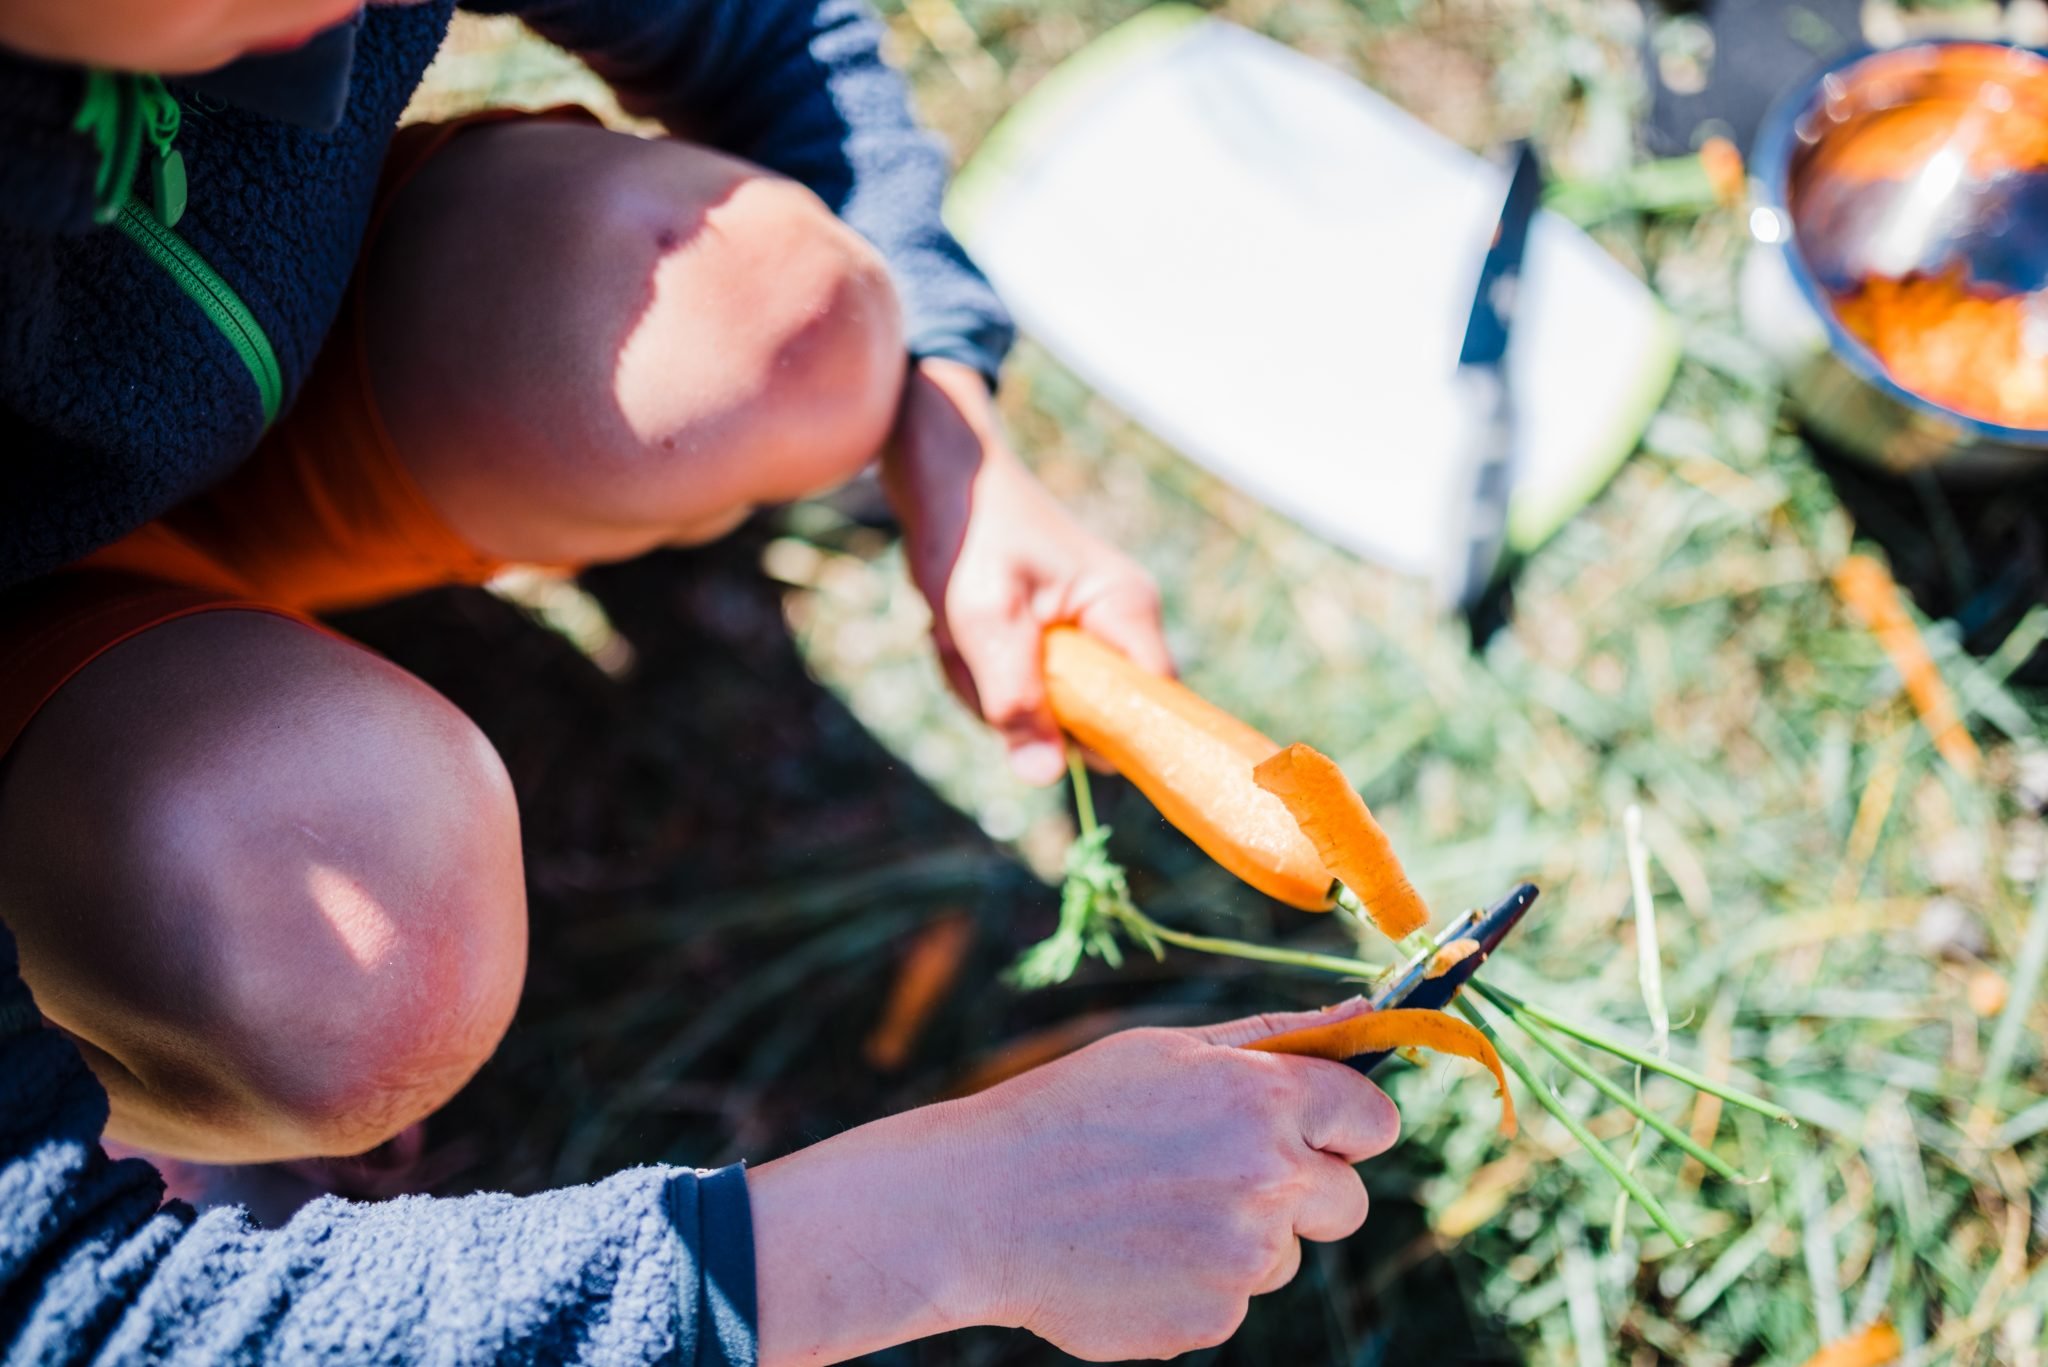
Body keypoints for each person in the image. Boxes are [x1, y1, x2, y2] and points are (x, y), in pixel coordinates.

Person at [0, 0, 1402, 1360]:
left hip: (207, 384)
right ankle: (151, 1089)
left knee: (784, 326)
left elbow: (770, 27)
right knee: (350, 961)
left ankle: (267, 588)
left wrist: (948, 426)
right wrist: (939, 1228)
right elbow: (79, 1320)